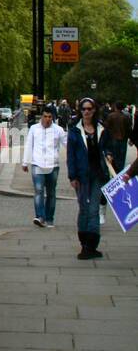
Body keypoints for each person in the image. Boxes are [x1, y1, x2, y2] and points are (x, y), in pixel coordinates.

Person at [67, 98, 113, 260]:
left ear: (94, 110)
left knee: (94, 210)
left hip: (98, 175)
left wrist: (108, 154)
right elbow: (70, 156)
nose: (86, 112)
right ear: (80, 111)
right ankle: (83, 243)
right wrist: (72, 176)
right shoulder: (74, 131)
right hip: (81, 176)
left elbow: (107, 147)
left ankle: (91, 246)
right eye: (83, 109)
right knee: (84, 210)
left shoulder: (102, 129)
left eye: (89, 109)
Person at [22, 105, 66, 227]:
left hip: (53, 165)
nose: (47, 119)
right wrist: (25, 162)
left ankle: (49, 219)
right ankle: (40, 217)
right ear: (41, 116)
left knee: (51, 193)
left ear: (53, 117)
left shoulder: (59, 130)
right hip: (37, 163)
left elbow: (68, 144)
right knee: (39, 190)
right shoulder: (34, 129)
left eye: (50, 117)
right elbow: (29, 145)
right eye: (45, 116)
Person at [104, 102, 130, 176]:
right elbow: (129, 129)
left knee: (114, 158)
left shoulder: (111, 116)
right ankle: (120, 173)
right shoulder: (126, 117)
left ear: (115, 107)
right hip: (123, 140)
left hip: (113, 139)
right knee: (121, 158)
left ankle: (114, 174)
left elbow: (106, 127)